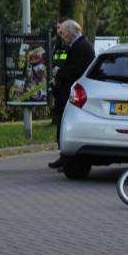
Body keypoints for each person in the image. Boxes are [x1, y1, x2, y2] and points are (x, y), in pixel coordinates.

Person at [48, 19, 95, 169]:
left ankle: (67, 158)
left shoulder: (79, 47)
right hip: (69, 91)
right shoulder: (79, 45)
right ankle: (64, 157)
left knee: (64, 124)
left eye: (62, 34)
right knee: (62, 123)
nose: (62, 37)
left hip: (71, 93)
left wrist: (59, 73)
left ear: (70, 32)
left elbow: (75, 69)